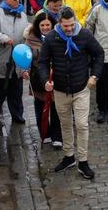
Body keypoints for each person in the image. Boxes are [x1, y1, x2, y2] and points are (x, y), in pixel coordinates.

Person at [38, 7, 105, 179]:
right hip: (60, 89)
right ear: (59, 23)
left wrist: (95, 76)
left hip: (81, 87)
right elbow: (43, 62)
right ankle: (69, 156)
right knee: (65, 124)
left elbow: (99, 54)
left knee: (82, 125)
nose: (69, 29)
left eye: (71, 25)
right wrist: (45, 80)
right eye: (65, 26)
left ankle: (83, 160)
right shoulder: (51, 38)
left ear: (75, 21)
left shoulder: (84, 35)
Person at [23, 11, 62, 148]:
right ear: (37, 25)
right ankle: (45, 134)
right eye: (42, 25)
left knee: (56, 109)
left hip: (57, 78)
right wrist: (24, 71)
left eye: (48, 25)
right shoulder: (31, 39)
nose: (45, 27)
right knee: (40, 107)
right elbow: (26, 58)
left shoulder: (59, 37)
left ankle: (57, 136)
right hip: (38, 79)